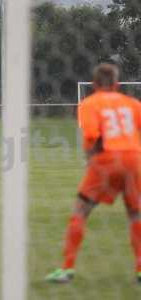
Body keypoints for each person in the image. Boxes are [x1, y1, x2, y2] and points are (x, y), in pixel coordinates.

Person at [46, 64, 141, 283]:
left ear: (93, 84)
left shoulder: (89, 103)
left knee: (80, 210)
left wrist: (91, 158)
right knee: (135, 214)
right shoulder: (133, 104)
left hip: (106, 159)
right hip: (133, 159)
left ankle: (67, 269)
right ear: (117, 85)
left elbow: (91, 134)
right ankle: (139, 269)